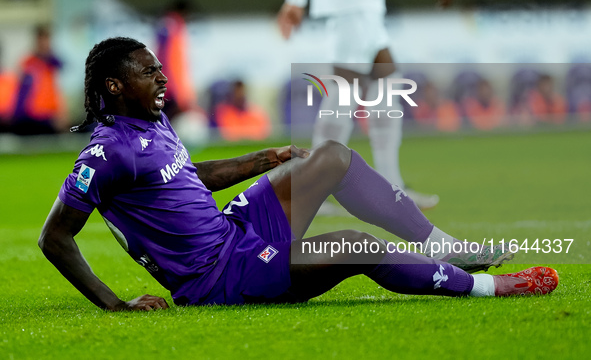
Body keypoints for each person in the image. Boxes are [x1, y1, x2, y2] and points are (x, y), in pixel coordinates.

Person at [39, 38, 557, 311]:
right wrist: (115, 304)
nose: (162, 76)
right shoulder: (106, 154)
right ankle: (488, 287)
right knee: (357, 245)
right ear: (112, 86)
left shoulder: (153, 117)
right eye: (148, 71)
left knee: (330, 156)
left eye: (159, 67)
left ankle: (442, 244)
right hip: (219, 277)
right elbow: (54, 237)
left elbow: (183, 176)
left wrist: (259, 161)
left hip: (234, 233)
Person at [277, 0, 453, 211]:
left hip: (358, 1)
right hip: (350, 0)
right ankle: (312, 188)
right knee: (346, 92)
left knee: (385, 86)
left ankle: (391, 185)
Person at [10, 25, 68, 135]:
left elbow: (57, 90)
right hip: (30, 116)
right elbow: (19, 90)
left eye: (47, 39)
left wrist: (62, 113)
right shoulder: (28, 62)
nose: (45, 43)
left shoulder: (53, 64)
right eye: (42, 39)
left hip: (48, 115)